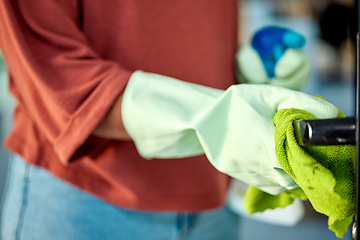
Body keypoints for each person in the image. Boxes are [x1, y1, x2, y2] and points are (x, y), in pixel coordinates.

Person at [0, 1, 339, 240]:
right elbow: (58, 74)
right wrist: (210, 118)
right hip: (86, 201)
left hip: (211, 203)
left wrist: (245, 70)